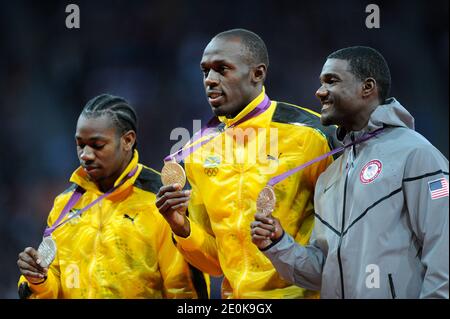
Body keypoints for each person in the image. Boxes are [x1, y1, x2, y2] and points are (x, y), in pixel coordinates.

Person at [251, 46, 449, 298]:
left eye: (331, 81)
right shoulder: (330, 177)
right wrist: (278, 243)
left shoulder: (416, 154)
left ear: (367, 88)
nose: (319, 91)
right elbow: (325, 271)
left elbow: (444, 249)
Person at [156, 29, 336, 298]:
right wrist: (181, 227)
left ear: (258, 74)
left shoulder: (312, 136)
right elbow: (215, 265)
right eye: (205, 71)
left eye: (222, 69)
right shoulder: (194, 153)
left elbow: (346, 237)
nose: (210, 80)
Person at [17, 94, 205, 299]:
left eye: (97, 145)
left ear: (127, 140)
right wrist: (38, 280)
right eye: (80, 144)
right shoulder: (64, 204)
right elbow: (53, 283)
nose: (85, 155)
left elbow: (185, 290)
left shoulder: (161, 200)